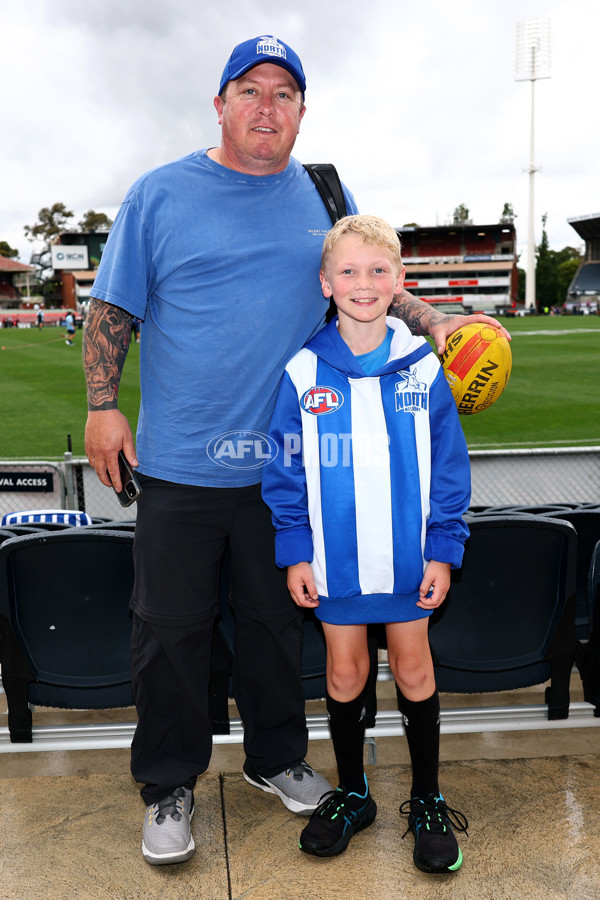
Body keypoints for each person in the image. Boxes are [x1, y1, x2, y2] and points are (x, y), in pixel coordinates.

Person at [83, 35, 503, 867]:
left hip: (292, 465)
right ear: (220, 105)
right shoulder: (159, 194)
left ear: (302, 112)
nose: (266, 106)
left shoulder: (322, 191)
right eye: (250, 90)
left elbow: (371, 270)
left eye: (284, 94)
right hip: (183, 464)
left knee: (278, 626)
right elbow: (110, 308)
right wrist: (102, 404)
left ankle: (275, 758)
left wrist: (435, 323)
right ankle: (169, 781)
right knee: (169, 633)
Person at [262, 214, 471, 873]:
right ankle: (353, 794)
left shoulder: (421, 369)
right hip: (336, 562)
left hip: (410, 562)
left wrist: (444, 548)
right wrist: (295, 550)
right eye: (348, 271)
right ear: (326, 282)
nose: (363, 282)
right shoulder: (301, 372)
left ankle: (428, 798)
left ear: (398, 280)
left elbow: (449, 468)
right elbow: (284, 466)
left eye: (378, 270)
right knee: (345, 673)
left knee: (413, 671)